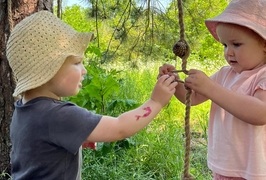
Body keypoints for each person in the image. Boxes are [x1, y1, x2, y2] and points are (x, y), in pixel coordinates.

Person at [6, 10, 178, 180]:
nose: (84, 70)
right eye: (77, 62)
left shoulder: (23, 109)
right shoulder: (59, 115)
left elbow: (38, 147)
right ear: (49, 69)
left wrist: (74, 137)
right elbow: (120, 128)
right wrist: (156, 101)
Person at [158, 0, 266, 180]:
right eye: (225, 45)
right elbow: (192, 98)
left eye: (236, 44)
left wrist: (211, 88)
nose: (228, 52)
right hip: (226, 167)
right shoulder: (226, 74)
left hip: (257, 171)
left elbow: (262, 113)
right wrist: (175, 81)